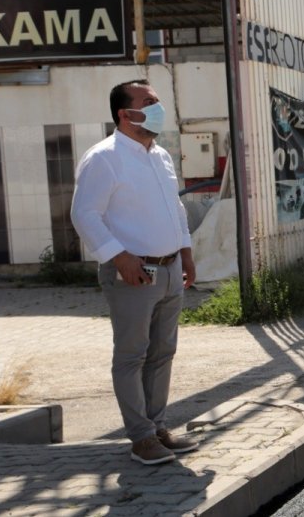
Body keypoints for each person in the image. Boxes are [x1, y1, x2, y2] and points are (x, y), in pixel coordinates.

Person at [70, 79, 198, 465]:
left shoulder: (159, 155)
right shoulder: (104, 157)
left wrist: (186, 252)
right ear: (125, 114)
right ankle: (141, 438)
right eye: (149, 102)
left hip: (170, 269)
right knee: (131, 356)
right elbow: (84, 214)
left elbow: (175, 210)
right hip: (132, 274)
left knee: (163, 353)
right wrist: (118, 257)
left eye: (157, 101)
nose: (158, 107)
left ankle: (157, 427)